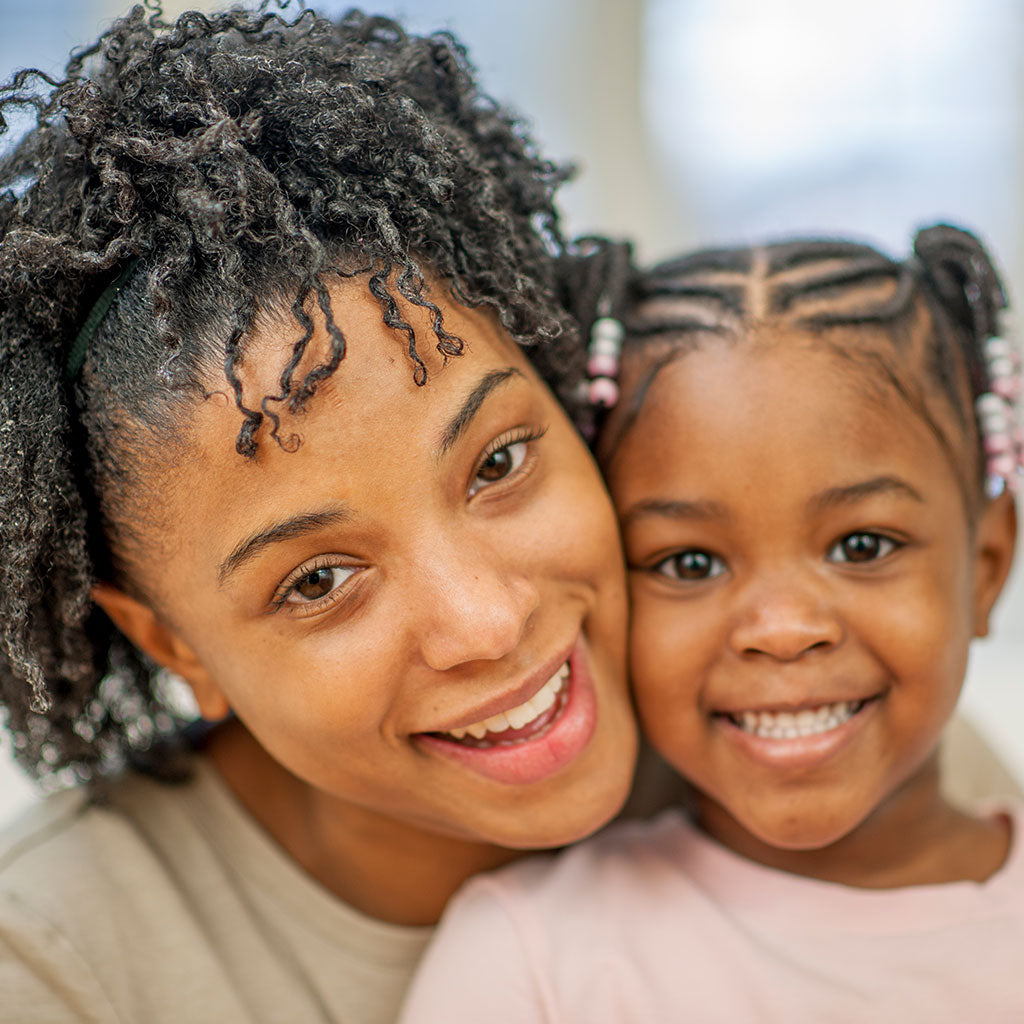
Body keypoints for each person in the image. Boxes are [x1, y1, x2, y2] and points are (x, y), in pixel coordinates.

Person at [0, 5, 639, 1022]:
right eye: (319, 580)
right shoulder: (56, 972)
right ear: (174, 646)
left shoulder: (805, 740)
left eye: (499, 462)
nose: (487, 622)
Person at [399, 224, 1024, 1022]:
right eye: (689, 564)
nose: (783, 629)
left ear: (987, 568)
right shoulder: (533, 955)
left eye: (862, 546)